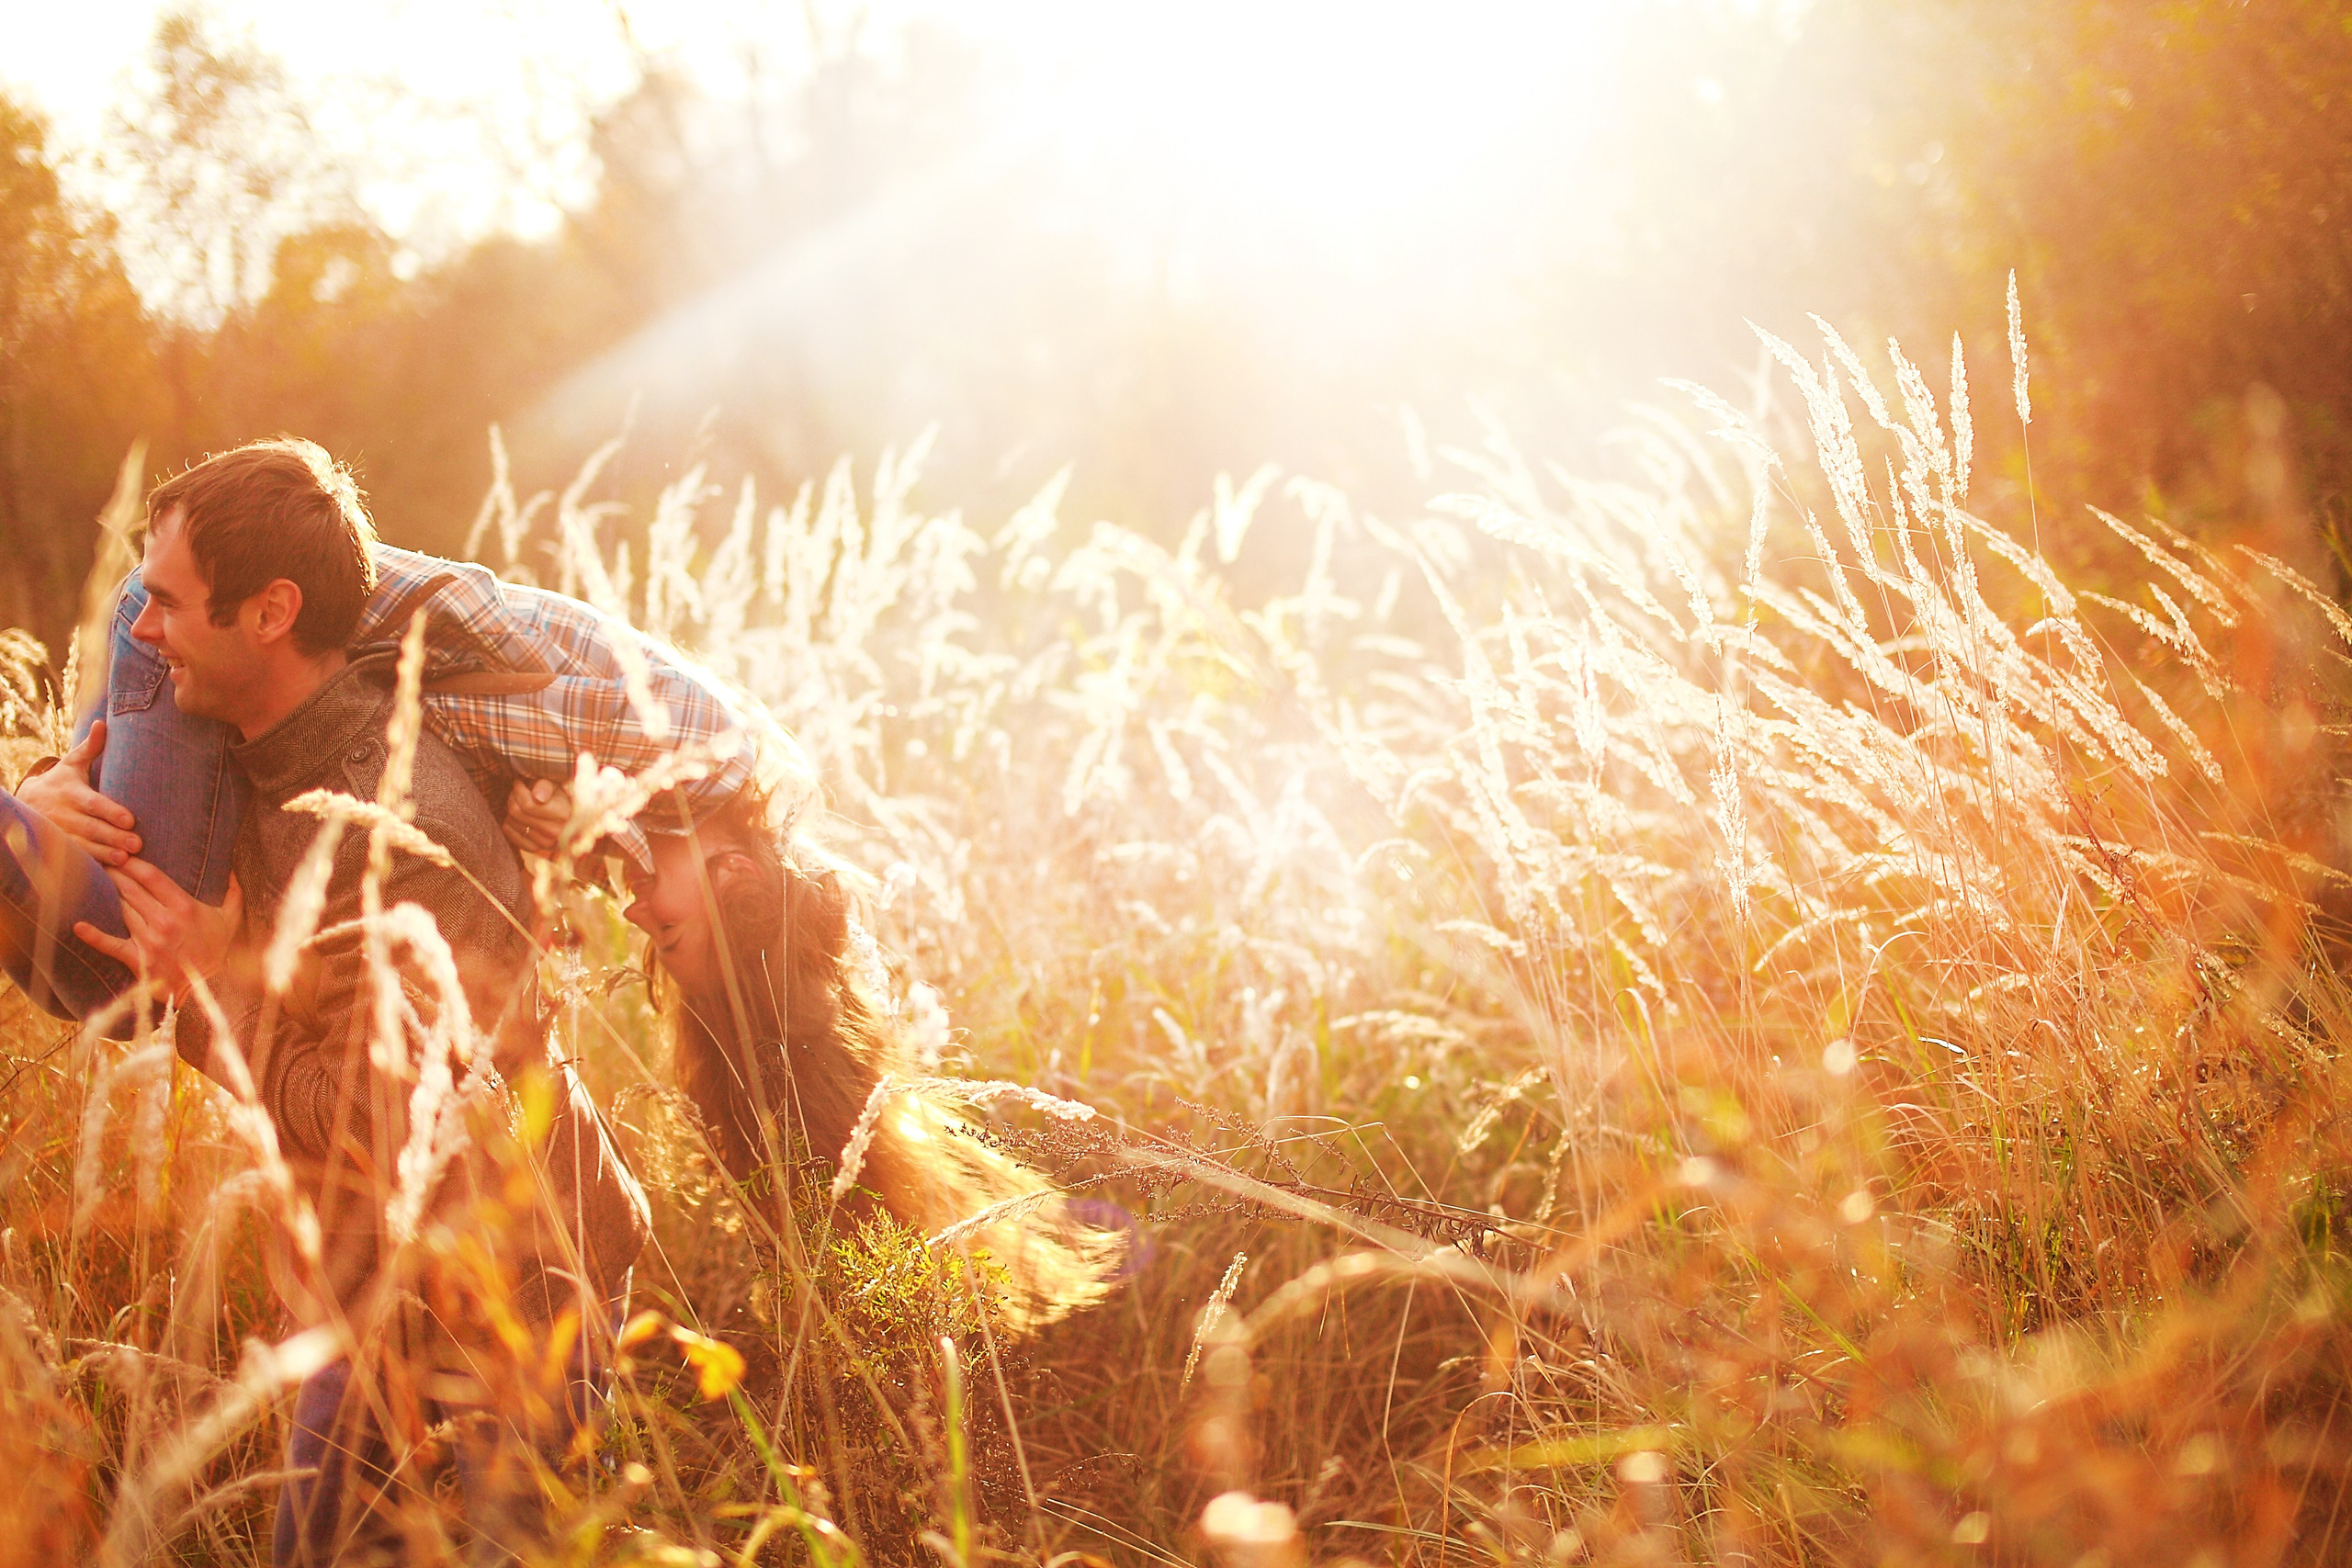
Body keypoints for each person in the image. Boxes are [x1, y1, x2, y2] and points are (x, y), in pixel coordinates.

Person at [15, 441, 650, 1564]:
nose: (145, 636)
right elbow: (100, 958)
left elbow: (380, 1119)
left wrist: (211, 984)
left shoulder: (389, 824)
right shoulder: (231, 758)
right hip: (374, 1282)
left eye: (167, 604)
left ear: (270, 613)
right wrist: (42, 807)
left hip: (521, 1285)